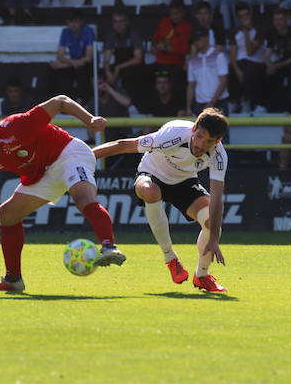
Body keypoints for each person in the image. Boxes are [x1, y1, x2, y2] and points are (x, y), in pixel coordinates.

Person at [0, 95, 125, 293]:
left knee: (82, 197)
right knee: (7, 214)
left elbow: (60, 101)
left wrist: (89, 120)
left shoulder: (15, 126)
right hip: (42, 173)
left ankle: (109, 247)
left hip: (68, 153)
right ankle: (13, 279)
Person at [90, 109, 229, 292]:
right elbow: (123, 145)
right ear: (194, 129)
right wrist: (81, 158)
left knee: (212, 223)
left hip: (185, 182)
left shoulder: (219, 156)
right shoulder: (174, 135)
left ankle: (202, 276)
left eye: (209, 141)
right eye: (200, 136)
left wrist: (213, 237)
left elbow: (217, 199)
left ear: (217, 141)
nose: (201, 145)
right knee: (151, 191)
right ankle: (170, 258)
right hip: (151, 174)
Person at [47, 8, 96, 101]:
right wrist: (71, 63)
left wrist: (69, 63)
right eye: (70, 21)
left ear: (81, 22)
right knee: (52, 66)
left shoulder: (87, 31)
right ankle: (56, 101)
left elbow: (89, 57)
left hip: (86, 64)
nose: (73, 25)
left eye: (76, 21)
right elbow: (60, 56)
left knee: (82, 68)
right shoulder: (65, 32)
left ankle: (82, 100)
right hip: (74, 62)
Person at [184, 29, 229, 114]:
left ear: (207, 38)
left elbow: (223, 81)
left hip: (219, 103)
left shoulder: (219, 56)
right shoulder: (192, 61)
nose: (196, 42)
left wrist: (212, 102)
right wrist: (188, 108)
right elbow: (190, 86)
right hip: (200, 105)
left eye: (198, 39)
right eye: (194, 40)